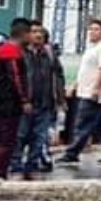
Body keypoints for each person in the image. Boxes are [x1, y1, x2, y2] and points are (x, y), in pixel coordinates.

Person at [58, 19, 101, 166]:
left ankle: (72, 153)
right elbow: (85, 70)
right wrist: (75, 85)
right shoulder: (92, 47)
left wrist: (96, 88)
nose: (92, 32)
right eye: (90, 29)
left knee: (82, 123)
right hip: (86, 89)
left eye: (96, 29)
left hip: (93, 93)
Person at [12, 20, 62, 179]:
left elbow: (58, 76)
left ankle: (32, 166)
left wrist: (60, 99)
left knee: (39, 137)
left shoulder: (49, 53)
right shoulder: (19, 52)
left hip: (45, 103)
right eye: (34, 31)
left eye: (40, 31)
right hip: (24, 104)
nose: (38, 35)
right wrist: (21, 100)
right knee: (19, 136)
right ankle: (16, 167)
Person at [0, 20, 32, 181]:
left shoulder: (3, 50)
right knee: (7, 138)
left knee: (3, 137)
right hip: (8, 101)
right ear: (24, 34)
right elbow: (17, 78)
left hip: (0, 99)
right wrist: (25, 99)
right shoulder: (12, 52)